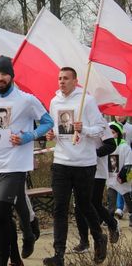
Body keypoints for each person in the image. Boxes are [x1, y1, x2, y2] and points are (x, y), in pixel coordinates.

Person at [0, 56, 53, 266]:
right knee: (1, 217)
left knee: (0, 213)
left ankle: (3, 261)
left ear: (12, 76)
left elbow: (48, 121)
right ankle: (16, 258)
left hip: (16, 165)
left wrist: (29, 136)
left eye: (4, 74)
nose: (0, 78)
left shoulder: (26, 100)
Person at [44, 67, 108, 266]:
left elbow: (101, 128)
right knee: (60, 208)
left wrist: (85, 129)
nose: (61, 82)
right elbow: (55, 126)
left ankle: (99, 237)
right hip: (61, 162)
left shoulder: (86, 101)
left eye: (66, 78)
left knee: (84, 205)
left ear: (75, 81)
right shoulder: (54, 102)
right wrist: (51, 134)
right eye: (59, 78)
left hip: (84, 164)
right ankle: (59, 255)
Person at [72, 123, 118, 253]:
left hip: (97, 170)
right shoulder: (76, 118)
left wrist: (94, 153)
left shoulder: (101, 123)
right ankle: (84, 242)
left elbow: (111, 145)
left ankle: (112, 223)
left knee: (94, 203)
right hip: (77, 168)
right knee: (78, 205)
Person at [105, 122, 132, 227]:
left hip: (122, 179)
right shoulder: (106, 147)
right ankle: (110, 220)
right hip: (111, 179)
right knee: (111, 199)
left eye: (113, 133)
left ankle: (131, 215)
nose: (111, 135)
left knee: (127, 199)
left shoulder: (125, 147)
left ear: (118, 134)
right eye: (109, 133)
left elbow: (129, 163)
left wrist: (122, 176)